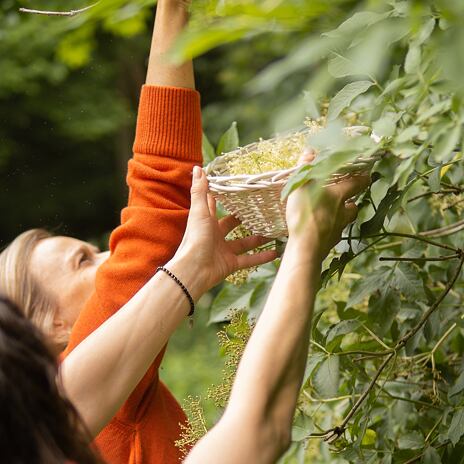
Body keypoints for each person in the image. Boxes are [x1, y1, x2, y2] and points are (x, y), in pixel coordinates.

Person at [0, 1, 275, 462]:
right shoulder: (93, 398)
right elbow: (160, 192)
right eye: (84, 262)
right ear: (50, 327)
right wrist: (173, 9)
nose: (112, 256)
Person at [0, 157, 369, 463]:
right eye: (83, 261)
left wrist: (193, 266)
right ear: (42, 329)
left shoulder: (51, 430)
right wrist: (307, 239)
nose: (114, 255)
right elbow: (258, 432)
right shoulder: (94, 412)